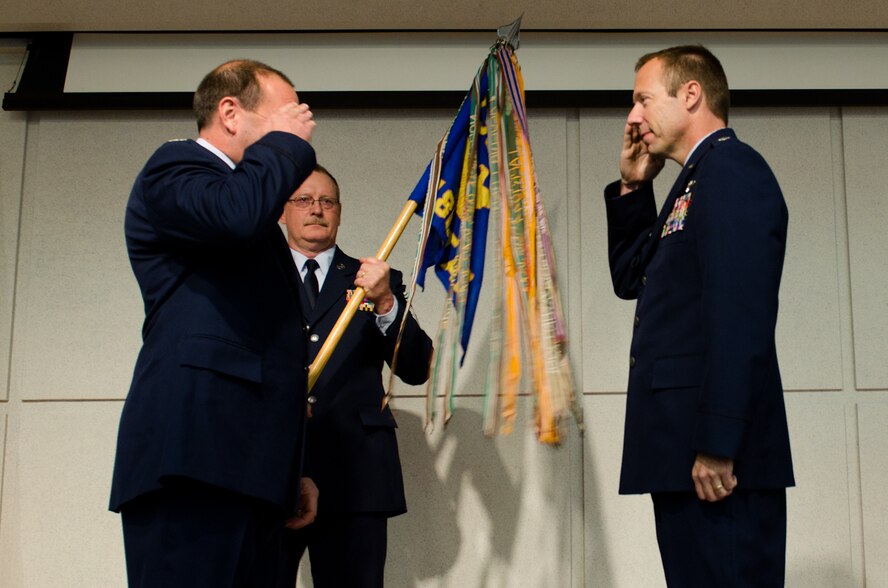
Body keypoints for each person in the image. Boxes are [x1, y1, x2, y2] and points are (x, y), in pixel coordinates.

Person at [110, 59, 320, 587]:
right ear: (230, 111)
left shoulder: (249, 203)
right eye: (286, 112)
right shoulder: (174, 167)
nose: (302, 121)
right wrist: (287, 145)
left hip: (255, 472)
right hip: (194, 461)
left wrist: (289, 466)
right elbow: (236, 214)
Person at [603, 45, 795, 586]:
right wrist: (635, 187)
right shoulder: (692, 180)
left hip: (717, 462)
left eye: (642, 99)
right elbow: (631, 280)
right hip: (685, 453)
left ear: (691, 94)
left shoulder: (733, 169)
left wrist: (718, 442)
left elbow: (742, 315)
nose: (633, 117)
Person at [276, 165, 434, 588]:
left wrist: (384, 302)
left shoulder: (374, 279)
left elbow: (417, 367)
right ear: (281, 212)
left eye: (327, 201)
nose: (316, 210)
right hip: (273, 468)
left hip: (355, 475)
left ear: (340, 213)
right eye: (304, 201)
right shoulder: (257, 281)